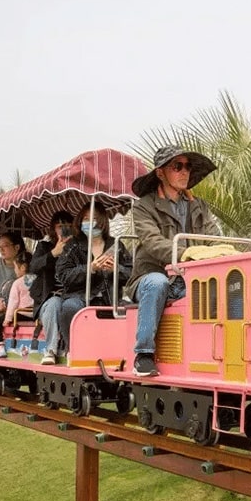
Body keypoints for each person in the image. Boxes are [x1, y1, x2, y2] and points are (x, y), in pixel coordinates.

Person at [126, 145, 219, 376]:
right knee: (157, 283)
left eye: (188, 166)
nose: (184, 171)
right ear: (161, 172)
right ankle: (143, 355)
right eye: (177, 166)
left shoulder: (199, 206)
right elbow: (153, 242)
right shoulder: (144, 206)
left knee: (228, 284)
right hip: (151, 277)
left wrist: (223, 253)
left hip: (190, 279)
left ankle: (217, 353)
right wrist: (188, 254)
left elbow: (214, 238)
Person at [57, 204, 132, 354]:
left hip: (111, 299)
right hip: (79, 297)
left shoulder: (116, 245)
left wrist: (116, 270)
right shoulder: (72, 246)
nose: (89, 222)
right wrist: (90, 268)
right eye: (86, 219)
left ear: (102, 221)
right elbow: (64, 275)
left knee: (133, 310)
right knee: (70, 307)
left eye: (94, 218)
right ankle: (72, 350)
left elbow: (132, 274)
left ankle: (128, 353)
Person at [30, 210, 73, 365]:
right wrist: (54, 253)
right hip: (49, 299)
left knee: (72, 305)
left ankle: (72, 348)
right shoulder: (44, 246)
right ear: (54, 229)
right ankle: (50, 350)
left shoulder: (78, 247)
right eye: (60, 226)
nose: (63, 229)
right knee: (55, 303)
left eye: (67, 226)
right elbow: (33, 267)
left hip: (72, 296)